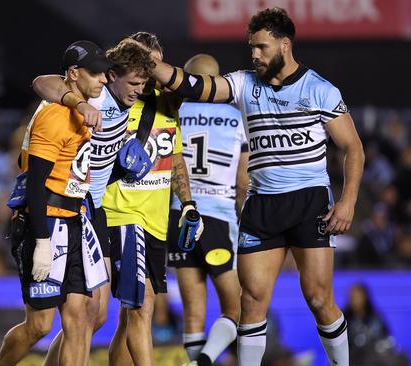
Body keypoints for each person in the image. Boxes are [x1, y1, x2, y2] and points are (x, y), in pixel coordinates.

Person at [138, 7, 365, 365]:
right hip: (262, 205)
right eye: (251, 48)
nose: (254, 55)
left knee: (319, 299)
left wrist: (348, 201)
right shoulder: (244, 83)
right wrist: (152, 65)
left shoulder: (320, 90)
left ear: (285, 45)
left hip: (309, 203)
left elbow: (353, 147)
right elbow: (195, 85)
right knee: (250, 301)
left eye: (261, 47)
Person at [31, 40, 156, 365]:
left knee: (97, 316)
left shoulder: (127, 98)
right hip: (72, 206)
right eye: (132, 84)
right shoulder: (95, 95)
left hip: (95, 209)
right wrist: (79, 103)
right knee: (78, 314)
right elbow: (41, 83)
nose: (138, 91)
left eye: (143, 84)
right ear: (110, 75)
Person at [0, 40, 110, 366]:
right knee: (39, 326)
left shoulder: (78, 107)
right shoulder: (55, 116)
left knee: (81, 316)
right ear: (74, 74)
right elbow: (36, 186)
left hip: (73, 219)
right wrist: (42, 242)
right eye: (96, 73)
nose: (103, 79)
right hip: (46, 224)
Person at [101, 31, 203, 366]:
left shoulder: (167, 103)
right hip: (123, 217)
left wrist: (187, 203)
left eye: (155, 65)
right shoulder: (113, 100)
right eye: (145, 65)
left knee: (128, 316)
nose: (150, 73)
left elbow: (175, 156)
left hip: (156, 222)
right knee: (142, 307)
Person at [166, 54, 246, 366]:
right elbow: (243, 181)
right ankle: (205, 361)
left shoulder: (174, 112)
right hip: (218, 218)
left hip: (180, 215)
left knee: (193, 316)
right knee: (236, 310)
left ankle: (194, 360)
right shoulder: (236, 116)